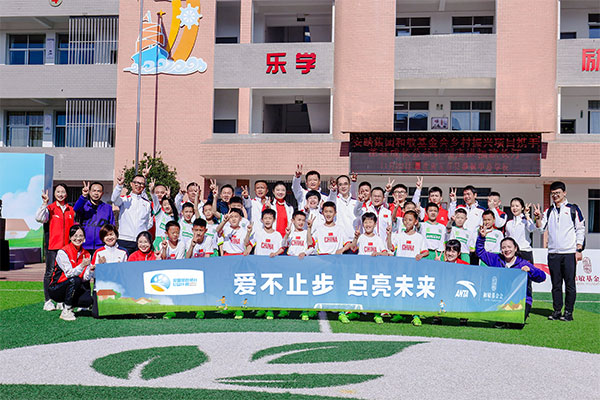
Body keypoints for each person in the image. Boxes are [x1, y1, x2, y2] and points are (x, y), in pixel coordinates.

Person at [534, 181, 585, 321]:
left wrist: (579, 249)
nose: (555, 195)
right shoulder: (548, 211)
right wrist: (537, 218)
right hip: (553, 253)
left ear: (564, 193)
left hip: (569, 253)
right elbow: (541, 229)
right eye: (553, 193)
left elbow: (580, 229)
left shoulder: (573, 209)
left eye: (558, 193)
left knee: (570, 285)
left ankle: (568, 312)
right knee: (556, 285)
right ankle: (557, 311)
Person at [476, 228, 546, 322]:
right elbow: (480, 252)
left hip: (521, 300)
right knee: (500, 324)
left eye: (509, 247)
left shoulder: (523, 263)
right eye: (503, 247)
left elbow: (542, 277)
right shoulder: (496, 259)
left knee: (516, 324)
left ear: (515, 248)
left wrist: (530, 271)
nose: (506, 250)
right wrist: (481, 237)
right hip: (502, 299)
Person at [35, 184, 75, 312]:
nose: (60, 194)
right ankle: (47, 301)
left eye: (63, 192)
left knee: (63, 273)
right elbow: (39, 218)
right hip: (52, 247)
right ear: (54, 194)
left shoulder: (70, 209)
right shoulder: (49, 208)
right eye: (58, 192)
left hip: (66, 248)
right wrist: (44, 203)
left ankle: (60, 300)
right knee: (50, 272)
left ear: (66, 194)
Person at [47, 225, 94, 321]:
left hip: (73, 286)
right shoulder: (63, 252)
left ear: (84, 238)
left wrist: (91, 270)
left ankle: (70, 305)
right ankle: (66, 310)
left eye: (81, 236)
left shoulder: (87, 254)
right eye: (75, 235)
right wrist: (82, 265)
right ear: (70, 237)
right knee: (75, 280)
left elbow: (85, 278)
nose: (78, 238)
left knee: (88, 300)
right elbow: (69, 274)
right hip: (56, 288)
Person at [111, 174, 153, 255]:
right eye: (136, 182)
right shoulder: (124, 199)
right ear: (131, 184)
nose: (139, 185)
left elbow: (149, 222)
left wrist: (142, 231)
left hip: (140, 242)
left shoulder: (147, 203)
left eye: (142, 184)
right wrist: (119, 185)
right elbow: (114, 199)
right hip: (124, 240)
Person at [73, 181, 115, 255]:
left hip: (102, 247)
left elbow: (112, 227)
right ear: (89, 192)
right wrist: (83, 196)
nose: (96, 193)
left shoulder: (108, 208)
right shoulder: (84, 206)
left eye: (99, 191)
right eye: (94, 191)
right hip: (85, 246)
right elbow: (76, 208)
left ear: (102, 193)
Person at [448, 185, 485, 266]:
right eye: (464, 195)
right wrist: (453, 202)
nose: (466, 197)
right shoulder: (460, 208)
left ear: (475, 195)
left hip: (472, 248)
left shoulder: (481, 210)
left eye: (468, 194)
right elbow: (451, 217)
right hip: (457, 248)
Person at [505, 198, 536, 264]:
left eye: (517, 206)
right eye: (512, 206)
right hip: (512, 252)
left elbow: (532, 228)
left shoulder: (525, 221)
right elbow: (507, 237)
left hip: (524, 251)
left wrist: (527, 215)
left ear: (522, 208)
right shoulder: (509, 223)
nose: (514, 208)